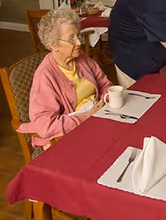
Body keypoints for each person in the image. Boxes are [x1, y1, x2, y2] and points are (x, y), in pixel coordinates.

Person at [18, 8, 112, 149]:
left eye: (78, 36)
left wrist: (104, 101)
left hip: (98, 119)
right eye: (71, 39)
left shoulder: (82, 59)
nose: (79, 43)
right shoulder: (45, 76)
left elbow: (105, 84)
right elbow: (46, 126)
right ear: (53, 45)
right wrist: (86, 117)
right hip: (70, 135)